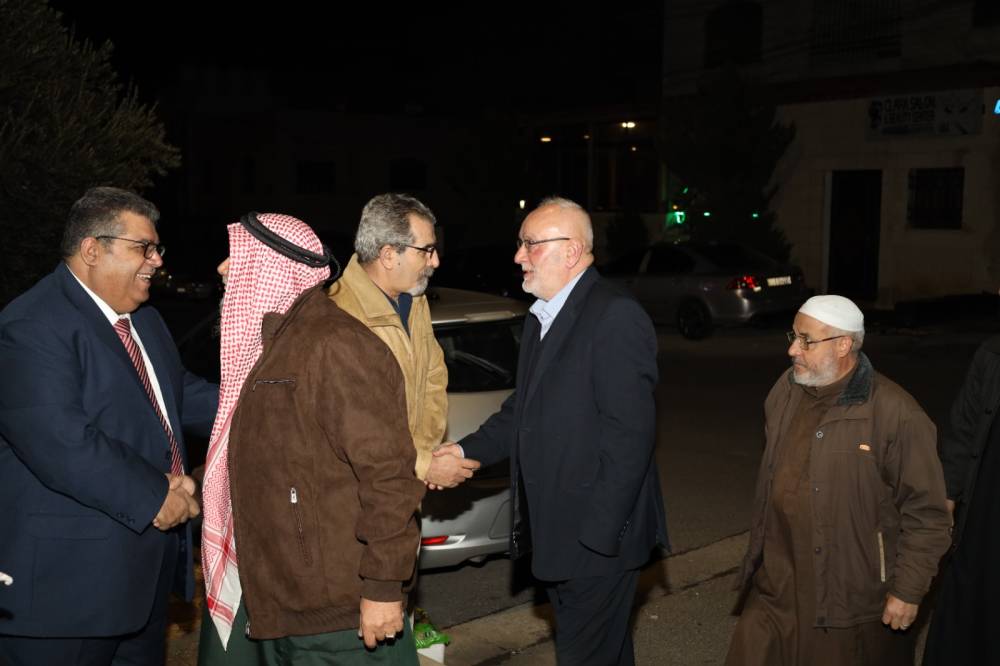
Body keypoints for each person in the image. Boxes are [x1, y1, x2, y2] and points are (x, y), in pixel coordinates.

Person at [436, 197, 668, 665]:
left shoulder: (614, 316)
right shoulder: (545, 315)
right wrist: (460, 452)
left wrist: (597, 540)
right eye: (520, 243)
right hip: (560, 539)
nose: (518, 256)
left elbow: (630, 440)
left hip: (596, 543)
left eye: (531, 244)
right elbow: (520, 413)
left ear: (572, 250)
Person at [0, 187, 217, 665]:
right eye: (144, 247)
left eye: (157, 247)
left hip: (138, 586)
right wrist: (156, 495)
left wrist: (267, 404)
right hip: (63, 597)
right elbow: (60, 442)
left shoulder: (145, 322)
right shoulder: (32, 323)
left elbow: (179, 396)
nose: (157, 260)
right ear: (92, 250)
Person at [198, 213, 425, 665]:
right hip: (276, 594)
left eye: (237, 256)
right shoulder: (272, 347)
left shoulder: (335, 345)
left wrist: (383, 587)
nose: (224, 269)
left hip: (332, 610)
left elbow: (389, 478)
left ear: (271, 268)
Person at [726, 295, 952, 666]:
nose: (792, 350)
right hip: (775, 586)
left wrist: (908, 590)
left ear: (843, 344)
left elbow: (927, 514)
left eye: (806, 340)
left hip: (844, 597)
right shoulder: (785, 390)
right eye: (794, 336)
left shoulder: (895, 413)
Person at [328, 193, 478, 489]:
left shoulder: (415, 300)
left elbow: (434, 377)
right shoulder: (338, 316)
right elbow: (353, 425)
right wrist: (423, 466)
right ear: (388, 255)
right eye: (426, 250)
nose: (435, 261)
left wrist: (423, 457)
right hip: (358, 494)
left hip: (403, 484)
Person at [922, 335, 1000, 665]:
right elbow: (963, 429)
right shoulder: (993, 353)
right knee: (973, 598)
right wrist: (948, 495)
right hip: (986, 506)